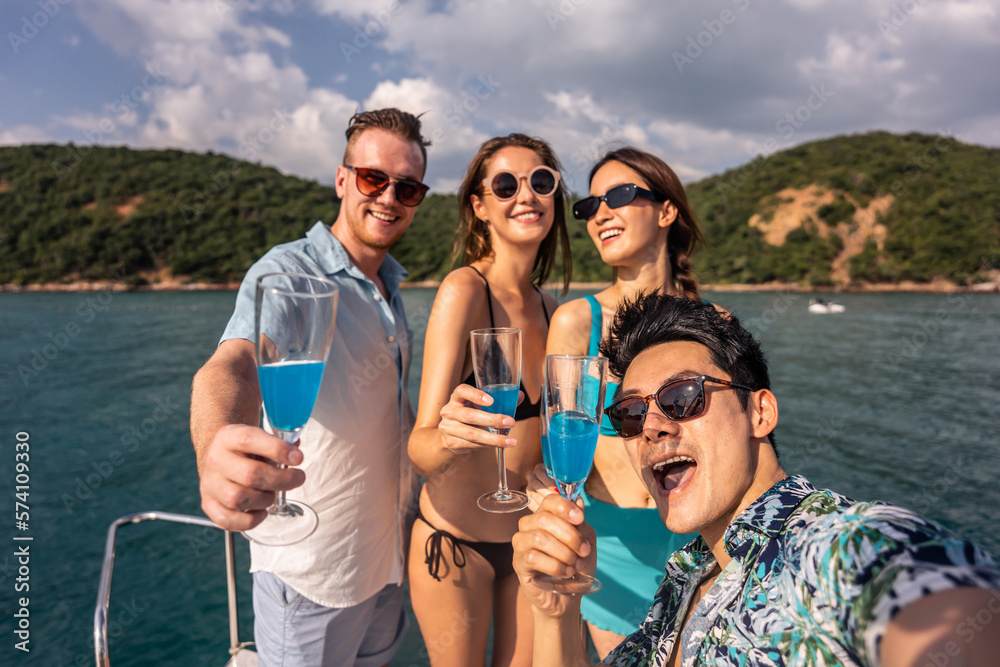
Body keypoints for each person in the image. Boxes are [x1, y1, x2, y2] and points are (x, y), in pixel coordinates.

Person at [512, 293, 1000, 666]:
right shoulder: (682, 582)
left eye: (683, 396)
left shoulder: (830, 545)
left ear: (760, 412)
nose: (653, 425)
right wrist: (555, 612)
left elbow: (919, 585)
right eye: (631, 414)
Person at [191, 108, 430, 667]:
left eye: (408, 187)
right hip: (314, 571)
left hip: (385, 561)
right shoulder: (291, 272)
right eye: (374, 179)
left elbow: (390, 408)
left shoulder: (391, 289)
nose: (389, 198)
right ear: (343, 179)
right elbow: (235, 365)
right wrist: (215, 447)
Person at [528, 146, 703, 657]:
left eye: (621, 196)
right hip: (611, 552)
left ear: (666, 211)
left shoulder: (713, 324)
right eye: (589, 206)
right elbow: (557, 449)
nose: (600, 213)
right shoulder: (577, 322)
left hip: (699, 547)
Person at [406, 133, 571, 666]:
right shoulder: (464, 291)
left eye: (541, 182)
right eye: (506, 185)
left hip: (527, 541)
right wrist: (453, 438)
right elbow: (421, 449)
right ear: (479, 207)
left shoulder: (554, 310)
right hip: (456, 546)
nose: (526, 195)